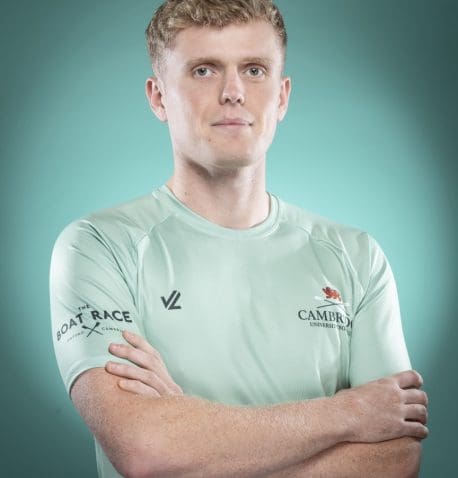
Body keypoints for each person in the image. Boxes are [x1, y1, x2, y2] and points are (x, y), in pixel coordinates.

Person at [49, 1, 429, 476]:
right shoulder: (98, 247)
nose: (233, 92)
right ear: (158, 97)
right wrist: (348, 413)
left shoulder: (356, 256)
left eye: (254, 70)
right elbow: (144, 449)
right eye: (204, 70)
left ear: (282, 96)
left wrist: (189, 433)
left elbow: (396, 457)